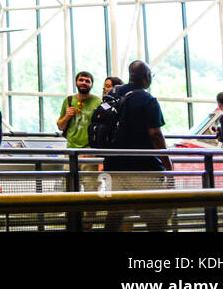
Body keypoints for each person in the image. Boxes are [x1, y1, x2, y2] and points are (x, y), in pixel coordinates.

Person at [101, 60, 172, 230]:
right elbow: (155, 135)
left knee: (115, 213)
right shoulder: (147, 99)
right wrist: (168, 164)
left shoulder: (112, 94)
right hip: (142, 167)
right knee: (157, 216)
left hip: (113, 165)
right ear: (146, 77)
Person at [57, 71, 102, 177]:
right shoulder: (68, 101)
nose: (84, 83)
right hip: (71, 150)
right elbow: (60, 126)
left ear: (91, 84)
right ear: (76, 82)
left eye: (87, 81)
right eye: (81, 80)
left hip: (89, 152)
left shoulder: (97, 101)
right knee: (68, 186)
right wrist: (67, 117)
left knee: (90, 186)